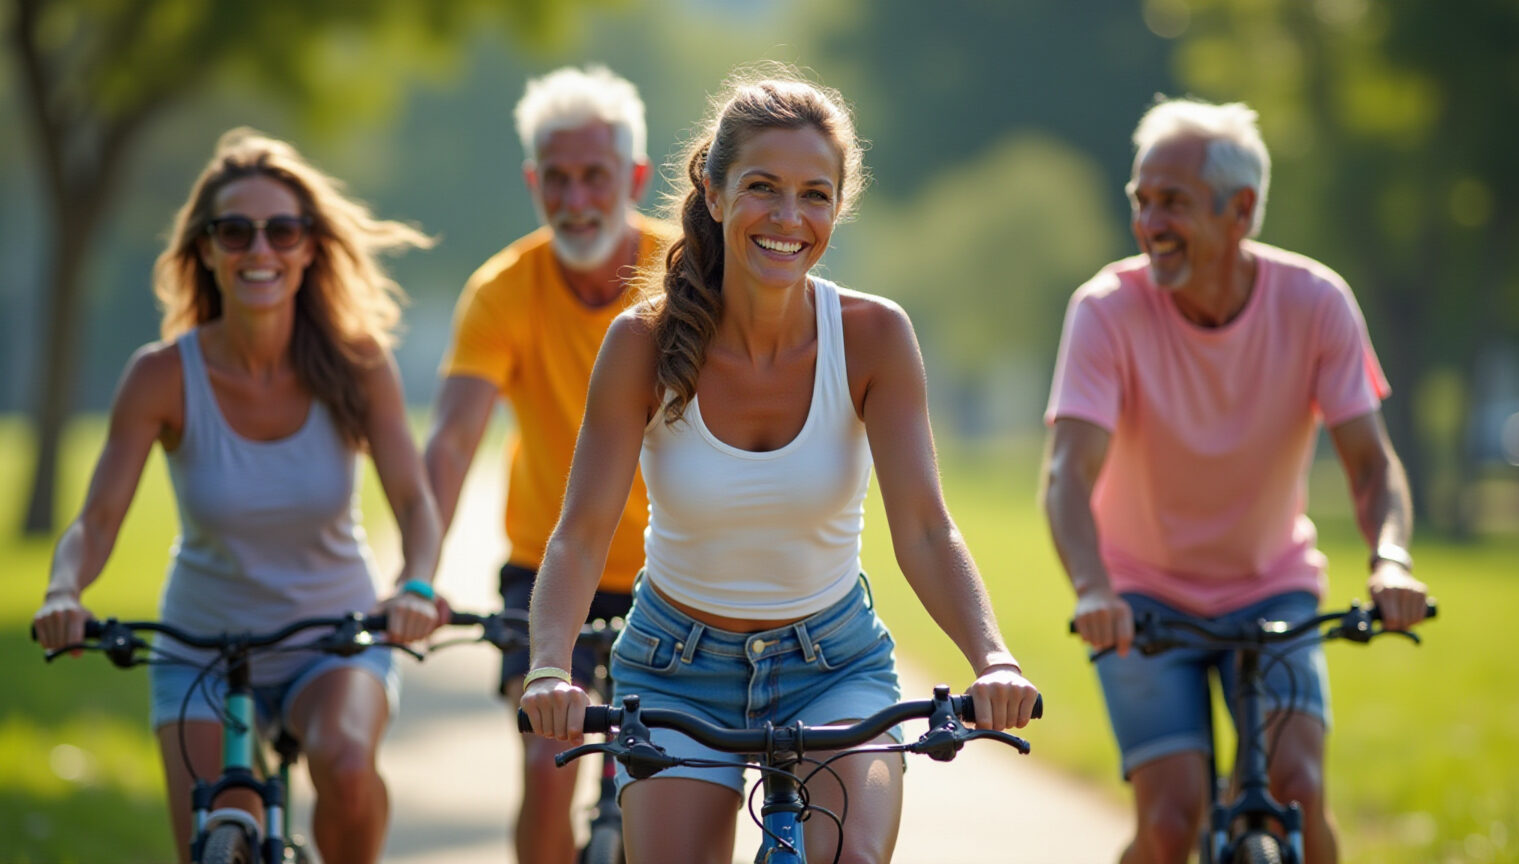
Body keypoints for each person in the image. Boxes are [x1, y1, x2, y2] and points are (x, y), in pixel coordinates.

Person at [519, 66, 1039, 864]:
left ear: (838, 206)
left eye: (816, 195)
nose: (789, 218)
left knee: (851, 858)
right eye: (763, 187)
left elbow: (927, 529)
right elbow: (580, 536)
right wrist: (551, 668)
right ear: (715, 192)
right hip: (674, 668)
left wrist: (992, 657)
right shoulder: (641, 344)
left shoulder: (873, 338)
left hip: (832, 664)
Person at [31, 128, 444, 864]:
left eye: (282, 230)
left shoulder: (358, 365)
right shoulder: (160, 376)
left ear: (310, 247)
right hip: (201, 647)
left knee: (348, 768)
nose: (261, 250)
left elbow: (415, 503)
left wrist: (412, 585)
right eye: (235, 231)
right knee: (216, 821)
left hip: (335, 638)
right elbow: (96, 521)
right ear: (207, 250)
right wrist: (64, 590)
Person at [1043, 96, 1431, 864]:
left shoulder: (1317, 302)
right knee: (1170, 820)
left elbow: (1370, 463)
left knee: (1297, 788)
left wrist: (1390, 558)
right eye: (1141, 201)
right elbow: (1067, 475)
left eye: (1174, 204)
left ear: (1241, 210)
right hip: (1140, 598)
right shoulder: (1105, 311)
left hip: (1272, 588)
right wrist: (1092, 588)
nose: (1149, 222)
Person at [421, 64, 669, 864]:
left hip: (677, 572)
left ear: (634, 175)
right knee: (546, 757)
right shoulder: (502, 289)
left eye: (594, 177)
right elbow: (454, 438)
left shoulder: (692, 271)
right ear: (533, 181)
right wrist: (419, 576)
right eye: (554, 180)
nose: (574, 199)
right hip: (549, 566)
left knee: (675, 782)